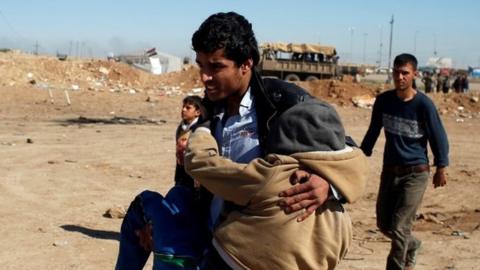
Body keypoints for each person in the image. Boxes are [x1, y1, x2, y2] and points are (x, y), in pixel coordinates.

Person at [188, 11, 366, 268]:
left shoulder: (284, 101)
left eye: (216, 67)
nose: (205, 77)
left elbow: (347, 153)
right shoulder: (208, 109)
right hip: (215, 242)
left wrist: (328, 184)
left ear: (246, 65)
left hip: (259, 252)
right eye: (201, 65)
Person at [184, 99, 368, 269]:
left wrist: (203, 130)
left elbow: (202, 165)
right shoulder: (341, 221)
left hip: (233, 262)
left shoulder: (276, 175)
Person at [360, 53, 449, 270]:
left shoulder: (424, 105)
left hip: (416, 172)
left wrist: (441, 167)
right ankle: (413, 244)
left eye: (405, 73)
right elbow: (373, 131)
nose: (400, 77)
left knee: (400, 227)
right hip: (390, 171)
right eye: (396, 72)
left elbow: (439, 137)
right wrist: (361, 155)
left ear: (414, 75)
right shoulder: (384, 101)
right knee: (384, 224)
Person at [115, 96, 210, 270]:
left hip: (200, 214)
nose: (183, 110)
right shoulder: (182, 128)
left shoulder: (202, 130)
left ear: (198, 111)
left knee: (150, 200)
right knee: (176, 195)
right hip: (187, 184)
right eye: (183, 107)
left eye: (188, 107)